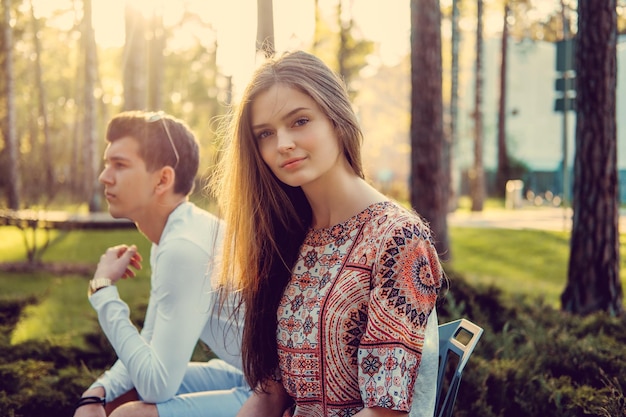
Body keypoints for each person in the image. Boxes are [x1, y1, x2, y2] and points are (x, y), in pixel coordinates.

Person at [209, 50, 445, 417]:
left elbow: (386, 412)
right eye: (265, 134)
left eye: (300, 121)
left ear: (337, 118)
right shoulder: (289, 236)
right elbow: (270, 394)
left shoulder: (397, 238)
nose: (282, 143)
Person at [74, 111, 249, 417]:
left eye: (120, 165)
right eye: (107, 164)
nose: (105, 176)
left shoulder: (183, 248)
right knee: (113, 398)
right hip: (245, 375)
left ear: (163, 179)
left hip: (283, 393)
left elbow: (158, 385)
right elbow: (151, 341)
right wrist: (97, 391)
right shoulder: (172, 236)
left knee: (128, 415)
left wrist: (102, 291)